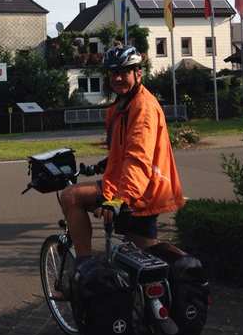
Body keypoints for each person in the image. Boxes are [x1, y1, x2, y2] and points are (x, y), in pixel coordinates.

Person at [59, 45, 185, 268]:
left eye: (124, 72)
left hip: (140, 189)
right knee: (140, 254)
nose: (117, 78)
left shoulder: (142, 108)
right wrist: (102, 166)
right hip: (133, 184)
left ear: (138, 73)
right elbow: (124, 151)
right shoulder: (124, 104)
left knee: (71, 196)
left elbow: (139, 158)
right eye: (113, 72)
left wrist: (120, 199)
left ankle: (84, 267)